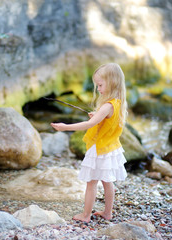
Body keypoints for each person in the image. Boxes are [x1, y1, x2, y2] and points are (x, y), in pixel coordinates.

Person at [51, 63, 128, 223]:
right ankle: (108, 213)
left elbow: (88, 125)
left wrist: (65, 127)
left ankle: (85, 215)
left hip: (100, 149)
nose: (98, 88)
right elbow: (107, 122)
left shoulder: (107, 106)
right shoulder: (118, 102)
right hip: (111, 147)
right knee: (108, 182)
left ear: (112, 82)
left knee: (92, 183)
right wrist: (98, 116)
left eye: (100, 85)